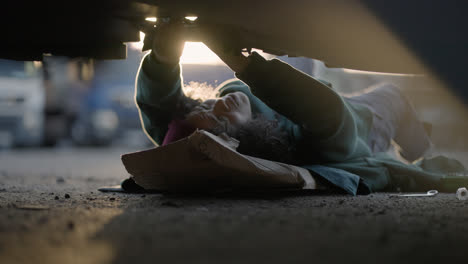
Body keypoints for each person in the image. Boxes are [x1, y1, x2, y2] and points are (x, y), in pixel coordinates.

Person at [125, 22, 466, 195]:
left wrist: (164, 57)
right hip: (368, 124)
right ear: (243, 143)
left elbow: (161, 113)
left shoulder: (214, 113)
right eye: (220, 122)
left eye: (205, 105)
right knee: (395, 100)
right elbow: (331, 115)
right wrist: (245, 65)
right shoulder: (296, 146)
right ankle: (422, 146)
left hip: (349, 109)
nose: (218, 105)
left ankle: (418, 143)